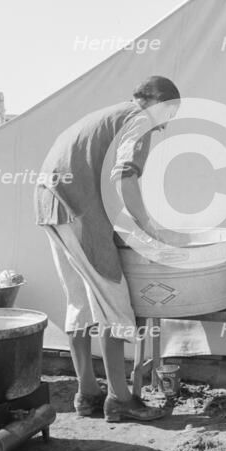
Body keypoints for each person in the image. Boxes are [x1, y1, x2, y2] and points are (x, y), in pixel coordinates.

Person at [35, 76, 182, 421]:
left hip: (49, 201)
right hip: (74, 205)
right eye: (170, 113)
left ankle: (87, 394)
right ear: (157, 103)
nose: (166, 125)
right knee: (114, 300)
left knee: (80, 301)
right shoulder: (140, 119)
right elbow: (124, 175)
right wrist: (149, 226)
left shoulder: (107, 117)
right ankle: (120, 400)